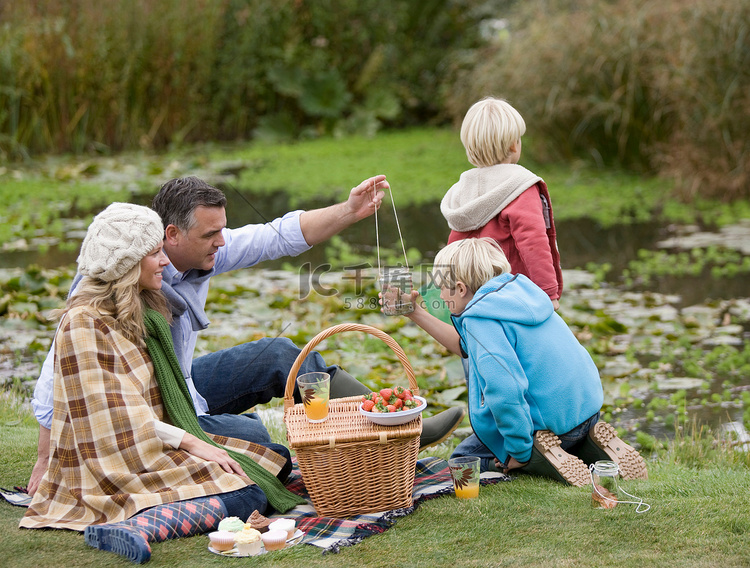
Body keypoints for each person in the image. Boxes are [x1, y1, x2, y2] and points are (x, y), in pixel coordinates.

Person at [28, 175, 465, 494]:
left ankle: (389, 425)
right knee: (258, 442)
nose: (223, 241)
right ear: (171, 235)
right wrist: (48, 454)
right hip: (152, 410)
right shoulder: (114, 276)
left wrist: (349, 210)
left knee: (278, 353)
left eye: (223, 229)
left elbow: (276, 237)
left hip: (182, 387)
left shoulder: (205, 252)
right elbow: (60, 367)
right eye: (211, 233)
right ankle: (309, 449)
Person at [20, 203, 303, 564]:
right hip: (113, 461)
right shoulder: (84, 323)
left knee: (274, 460)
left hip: (152, 440)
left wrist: (198, 444)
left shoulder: (137, 310)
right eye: (154, 254)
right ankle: (138, 527)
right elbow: (115, 421)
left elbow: (148, 405)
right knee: (247, 489)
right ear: (126, 263)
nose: (165, 262)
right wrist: (195, 444)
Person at [402, 237, 648, 486]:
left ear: (460, 288)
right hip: (584, 411)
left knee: (464, 459)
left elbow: (504, 390)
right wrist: (414, 312)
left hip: (548, 428)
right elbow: (464, 346)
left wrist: (517, 452)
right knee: (565, 434)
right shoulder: (518, 295)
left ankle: (544, 456)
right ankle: (587, 448)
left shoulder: (481, 321)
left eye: (441, 287)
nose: (439, 295)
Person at [440, 96, 563, 310]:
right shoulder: (520, 186)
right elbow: (533, 241)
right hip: (513, 296)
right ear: (514, 145)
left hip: (471, 300)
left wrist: (448, 295)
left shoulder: (461, 190)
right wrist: (547, 293)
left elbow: (455, 247)